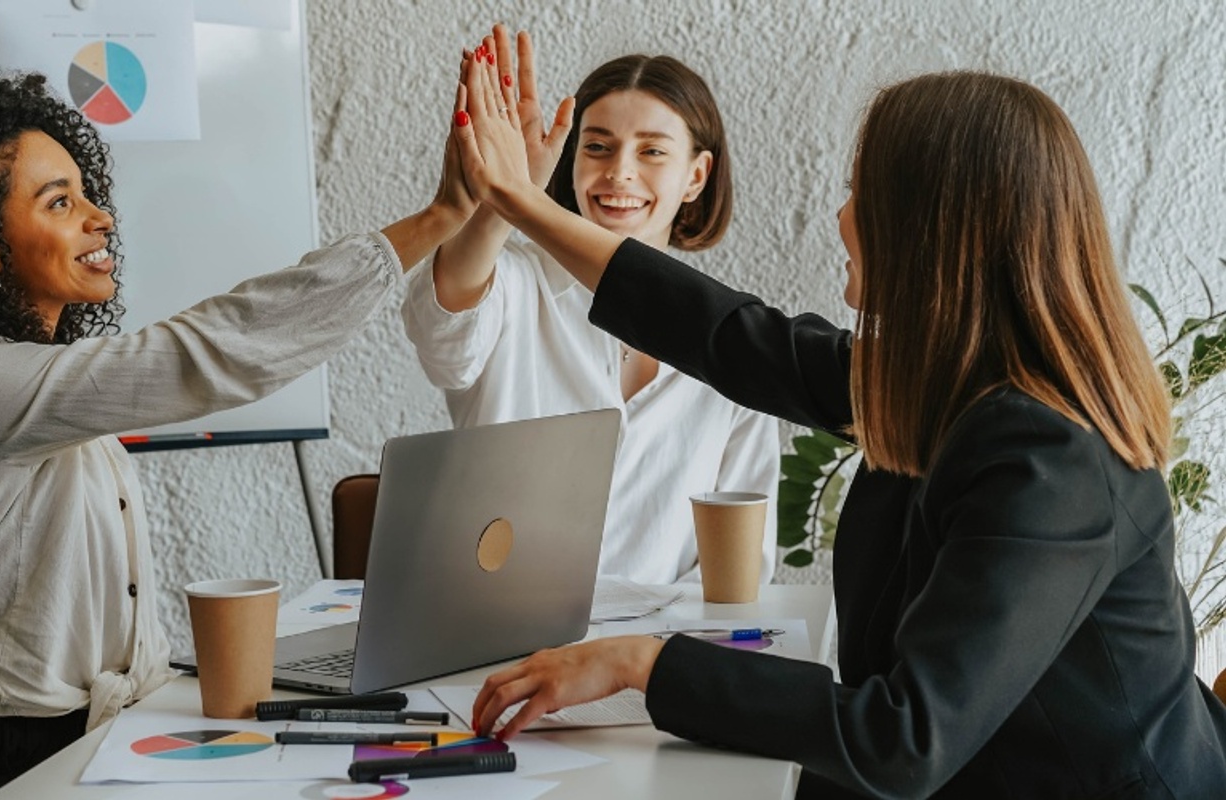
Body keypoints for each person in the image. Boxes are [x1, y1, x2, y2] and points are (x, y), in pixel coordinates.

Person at [452, 40, 1226, 799]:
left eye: (862, 194)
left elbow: (903, 740)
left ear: (932, 232)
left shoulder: (1053, 458)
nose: (842, 215)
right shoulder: (945, 381)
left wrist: (641, 663)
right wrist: (521, 202)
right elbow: (727, 335)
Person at [0, 65, 474, 799]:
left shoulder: (49, 388)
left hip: (77, 737)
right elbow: (204, 353)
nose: (99, 216)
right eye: (59, 202)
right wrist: (436, 219)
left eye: (86, 193)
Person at [402, 28, 778, 585]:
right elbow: (441, 330)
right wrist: (507, 195)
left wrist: (649, 661)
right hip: (498, 646)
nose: (619, 172)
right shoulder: (513, 283)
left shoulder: (734, 338)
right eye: (597, 146)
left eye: (651, 151)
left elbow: (740, 566)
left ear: (696, 176)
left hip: (654, 658)